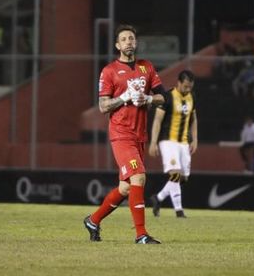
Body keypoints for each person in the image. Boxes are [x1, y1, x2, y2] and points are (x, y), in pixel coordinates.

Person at [83, 24, 166, 244]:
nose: (129, 41)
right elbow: (102, 106)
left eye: (132, 38)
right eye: (124, 39)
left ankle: (93, 220)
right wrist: (124, 97)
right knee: (139, 176)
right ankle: (141, 235)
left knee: (126, 187)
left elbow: (163, 97)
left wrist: (148, 99)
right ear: (117, 45)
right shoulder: (109, 71)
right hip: (121, 133)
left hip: (140, 134)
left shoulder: (146, 67)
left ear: (135, 42)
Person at [148, 70, 198, 219]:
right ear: (179, 82)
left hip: (183, 142)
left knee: (183, 177)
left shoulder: (192, 97)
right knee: (175, 173)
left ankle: (158, 198)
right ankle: (179, 211)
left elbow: (194, 119)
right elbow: (157, 120)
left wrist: (194, 139)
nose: (188, 89)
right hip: (167, 140)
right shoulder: (168, 97)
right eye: (186, 86)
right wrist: (153, 142)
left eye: (190, 87)